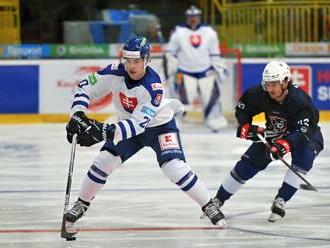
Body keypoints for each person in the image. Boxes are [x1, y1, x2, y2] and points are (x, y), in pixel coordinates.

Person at [65, 36, 225, 234]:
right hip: (127, 126)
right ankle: (82, 203)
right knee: (104, 161)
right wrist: (77, 113)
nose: (132, 66)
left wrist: (104, 132)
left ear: (147, 60)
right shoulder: (115, 71)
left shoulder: (153, 87)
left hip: (160, 127)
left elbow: (138, 125)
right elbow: (84, 86)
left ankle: (208, 204)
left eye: (137, 61)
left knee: (174, 168)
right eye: (128, 60)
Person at [213, 61, 324, 222]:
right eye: (267, 84)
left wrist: (285, 145)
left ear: (286, 81)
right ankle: (218, 200)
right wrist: (245, 126)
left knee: (303, 160)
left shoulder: (300, 100)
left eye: (274, 84)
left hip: (306, 135)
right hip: (276, 132)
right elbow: (243, 110)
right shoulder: (259, 93)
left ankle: (281, 200)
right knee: (246, 166)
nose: (270, 88)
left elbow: (303, 131)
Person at [165, 5, 228, 131]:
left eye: (195, 16)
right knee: (182, 101)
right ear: (187, 17)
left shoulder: (209, 32)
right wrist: (171, 67)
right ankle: (175, 123)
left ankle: (214, 122)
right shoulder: (178, 32)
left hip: (206, 71)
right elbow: (170, 52)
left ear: (199, 17)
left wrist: (219, 68)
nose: (193, 19)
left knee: (211, 99)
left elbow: (214, 53)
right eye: (190, 16)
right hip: (185, 72)